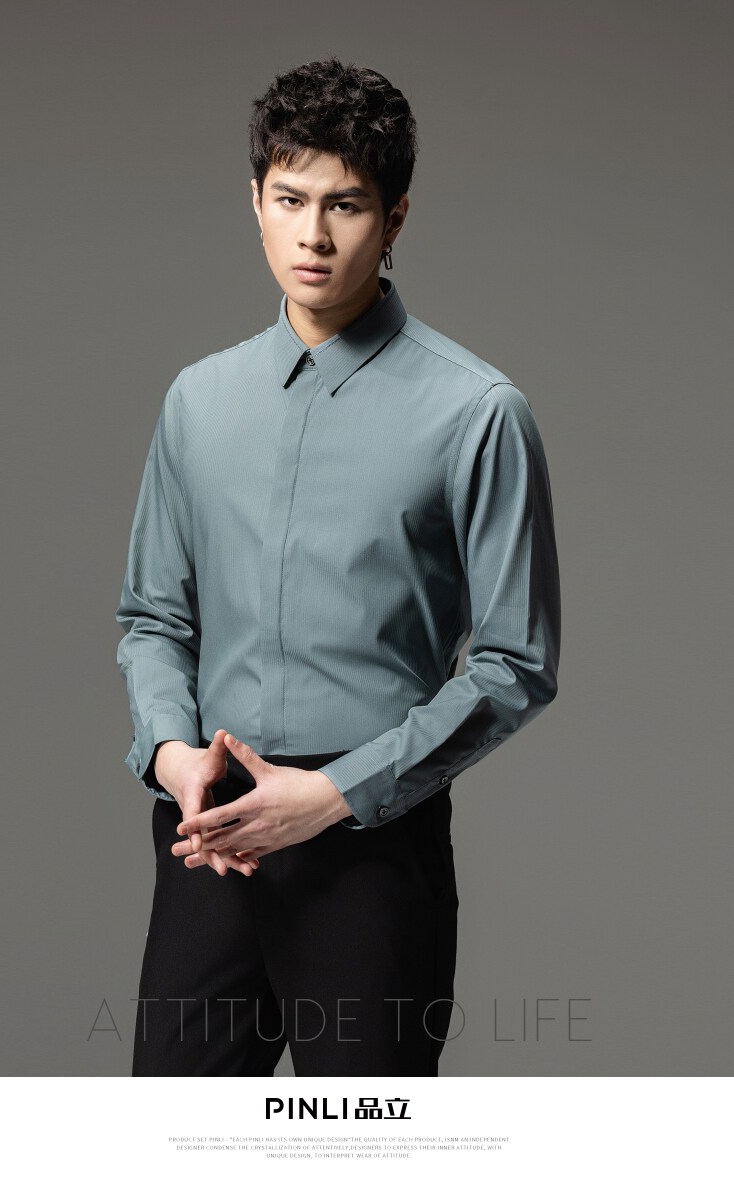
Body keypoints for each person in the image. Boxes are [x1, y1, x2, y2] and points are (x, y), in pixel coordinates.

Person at [115, 56, 561, 1077]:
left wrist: (333, 794)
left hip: (369, 849)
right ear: (255, 203)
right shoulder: (197, 401)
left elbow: (514, 663)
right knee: (168, 1146)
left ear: (394, 216)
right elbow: (153, 617)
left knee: (362, 1147)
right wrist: (172, 755)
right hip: (209, 839)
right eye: (290, 199)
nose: (312, 235)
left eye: (345, 205)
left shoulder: (477, 412)